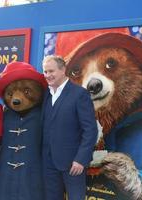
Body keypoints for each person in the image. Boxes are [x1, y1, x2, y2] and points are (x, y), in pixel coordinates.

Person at [41, 55, 98, 200]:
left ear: (63, 70)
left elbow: (90, 130)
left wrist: (80, 159)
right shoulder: (45, 95)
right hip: (48, 163)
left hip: (73, 164)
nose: (48, 75)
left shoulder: (79, 94)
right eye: (45, 72)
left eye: (51, 71)